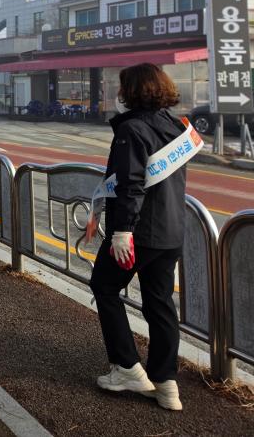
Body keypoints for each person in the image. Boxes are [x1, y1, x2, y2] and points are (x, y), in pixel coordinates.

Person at [88, 63, 189, 411]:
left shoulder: (131, 129)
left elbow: (130, 183)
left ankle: (128, 367)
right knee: (160, 304)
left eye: (121, 86)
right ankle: (166, 383)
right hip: (170, 232)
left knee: (104, 286)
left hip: (138, 233)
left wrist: (121, 231)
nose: (118, 93)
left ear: (132, 91)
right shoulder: (176, 127)